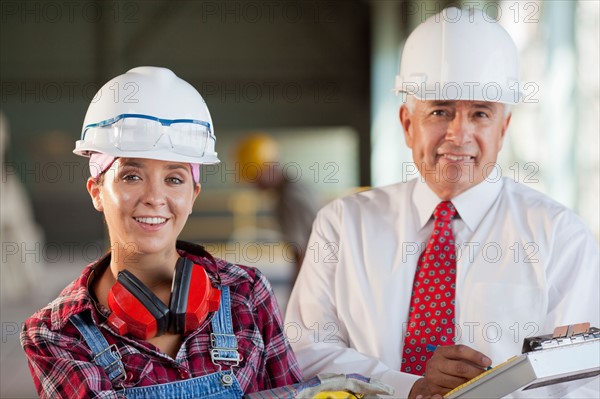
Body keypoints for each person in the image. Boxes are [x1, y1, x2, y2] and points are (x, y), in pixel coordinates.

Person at [285, 7, 600, 399]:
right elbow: (304, 352)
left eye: (480, 114)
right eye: (440, 111)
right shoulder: (343, 224)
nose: (459, 134)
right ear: (406, 124)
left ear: (503, 129)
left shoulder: (560, 237)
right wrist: (411, 388)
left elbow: (582, 381)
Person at [20, 66, 302, 398]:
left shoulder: (247, 294)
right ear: (96, 191)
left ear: (193, 195)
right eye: (131, 176)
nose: (155, 198)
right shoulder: (57, 333)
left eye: (174, 179)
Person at [235, 133, 320, 276]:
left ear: (268, 167)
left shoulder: (289, 198)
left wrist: (297, 295)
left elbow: (301, 253)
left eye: (255, 177)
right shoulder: (297, 186)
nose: (254, 185)